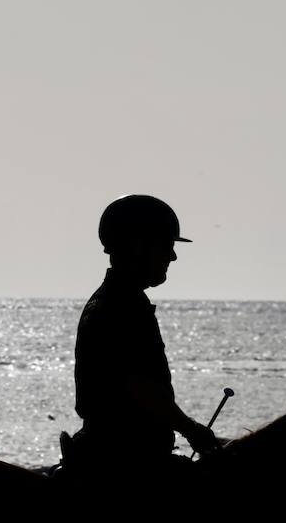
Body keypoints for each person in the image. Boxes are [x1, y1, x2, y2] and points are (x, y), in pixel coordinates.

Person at [68, 194, 219, 474]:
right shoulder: (120, 307)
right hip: (125, 464)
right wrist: (193, 430)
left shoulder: (121, 301)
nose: (172, 256)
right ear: (137, 245)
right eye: (166, 245)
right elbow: (141, 388)